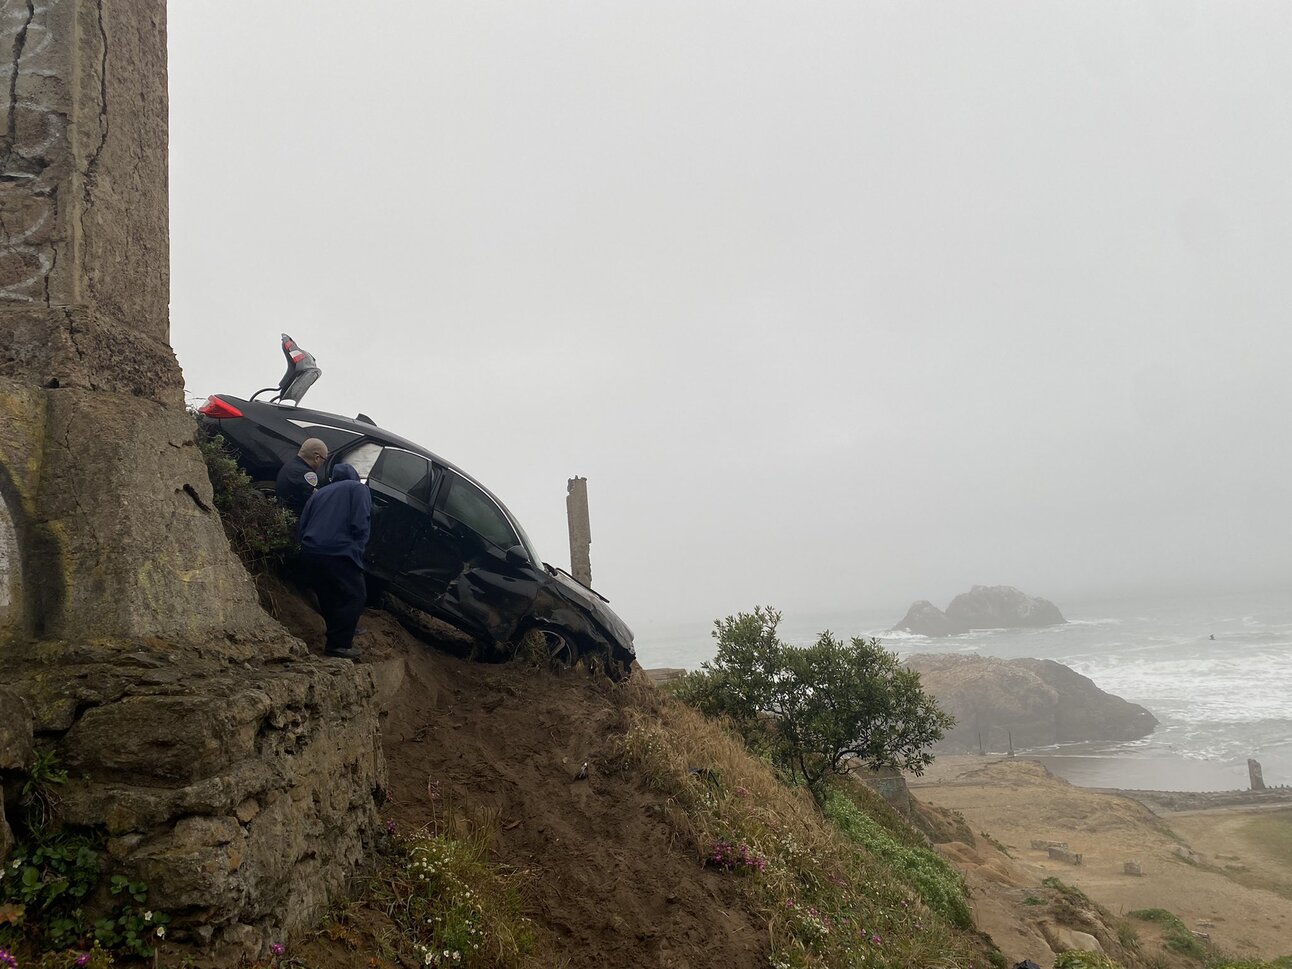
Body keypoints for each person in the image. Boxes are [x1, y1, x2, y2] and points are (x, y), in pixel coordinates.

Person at [297, 463, 371, 660]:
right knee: (356, 595)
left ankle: (341, 630)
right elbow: (360, 521)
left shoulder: (319, 493)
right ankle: (339, 645)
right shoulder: (358, 488)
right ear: (354, 476)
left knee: (329, 593)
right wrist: (358, 549)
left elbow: (303, 524)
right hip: (338, 551)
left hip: (311, 550)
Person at [276, 438, 329, 515]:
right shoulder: (307, 475)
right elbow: (317, 502)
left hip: (284, 514)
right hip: (297, 520)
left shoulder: (289, 464)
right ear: (317, 458)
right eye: (324, 460)